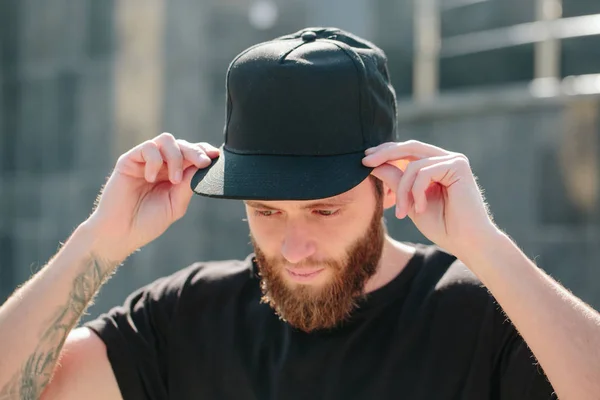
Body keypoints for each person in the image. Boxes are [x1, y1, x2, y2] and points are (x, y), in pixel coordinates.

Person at [0, 27, 599, 400]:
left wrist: (488, 248)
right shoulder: (187, 319)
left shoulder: (480, 315)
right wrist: (99, 241)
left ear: (387, 188)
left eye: (323, 209)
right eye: (266, 210)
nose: (294, 246)